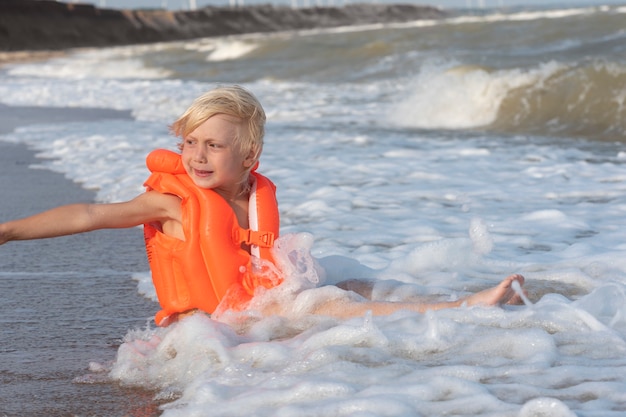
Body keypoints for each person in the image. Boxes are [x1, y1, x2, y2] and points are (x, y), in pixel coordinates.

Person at [0, 85, 525, 326]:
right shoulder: (173, 203)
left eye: (214, 145)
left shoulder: (254, 194)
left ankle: (450, 298)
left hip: (254, 303)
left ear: (249, 155)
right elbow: (89, 215)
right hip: (216, 322)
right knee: (335, 306)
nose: (198, 157)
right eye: (190, 144)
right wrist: (8, 231)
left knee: (347, 282)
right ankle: (461, 310)